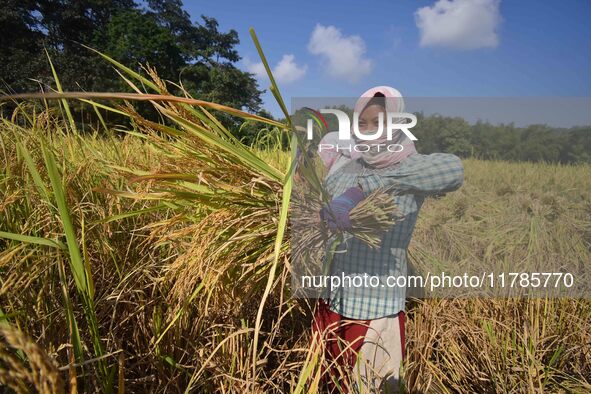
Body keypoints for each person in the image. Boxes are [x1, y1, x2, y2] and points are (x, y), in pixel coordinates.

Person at [310, 86, 465, 393]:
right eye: (362, 123)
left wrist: (368, 187)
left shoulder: (410, 165)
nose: (368, 132)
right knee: (326, 383)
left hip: (375, 309)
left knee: (368, 386)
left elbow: (454, 170)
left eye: (378, 123)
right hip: (332, 300)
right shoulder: (350, 165)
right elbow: (327, 165)